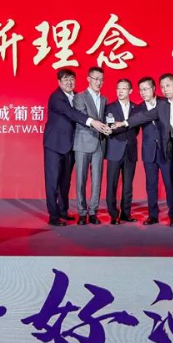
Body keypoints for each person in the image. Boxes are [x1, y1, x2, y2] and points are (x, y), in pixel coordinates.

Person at [113, 73, 173, 229]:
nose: (165, 89)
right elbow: (144, 116)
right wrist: (123, 123)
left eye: (168, 85)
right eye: (163, 87)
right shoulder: (163, 105)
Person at [43, 68, 110, 226]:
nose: (69, 82)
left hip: (70, 145)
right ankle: (53, 217)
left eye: (71, 79)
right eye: (65, 79)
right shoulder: (56, 97)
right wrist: (92, 122)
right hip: (54, 145)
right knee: (53, 182)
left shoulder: (76, 96)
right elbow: (71, 113)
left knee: (65, 182)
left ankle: (63, 211)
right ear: (59, 82)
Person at [133, 76, 173, 225]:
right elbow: (133, 129)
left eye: (145, 89)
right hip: (149, 152)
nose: (143, 92)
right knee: (151, 186)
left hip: (165, 151)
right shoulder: (138, 108)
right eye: (140, 90)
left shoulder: (165, 103)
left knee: (170, 184)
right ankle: (153, 215)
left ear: (153, 89)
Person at [72, 67, 108, 225]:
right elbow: (81, 116)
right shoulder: (79, 97)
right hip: (82, 143)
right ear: (88, 79)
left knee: (97, 180)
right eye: (96, 79)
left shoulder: (104, 99)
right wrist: (98, 125)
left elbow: (104, 119)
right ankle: (81, 212)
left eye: (101, 79)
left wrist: (108, 128)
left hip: (99, 144)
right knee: (81, 179)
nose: (98, 82)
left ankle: (93, 211)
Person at [104, 79, 140, 224]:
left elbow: (136, 128)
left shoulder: (136, 108)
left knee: (128, 185)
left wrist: (122, 129)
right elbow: (109, 127)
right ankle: (113, 215)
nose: (120, 91)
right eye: (118, 88)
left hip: (130, 150)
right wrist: (123, 128)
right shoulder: (109, 107)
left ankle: (126, 213)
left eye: (124, 88)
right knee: (112, 184)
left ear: (130, 91)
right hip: (114, 149)